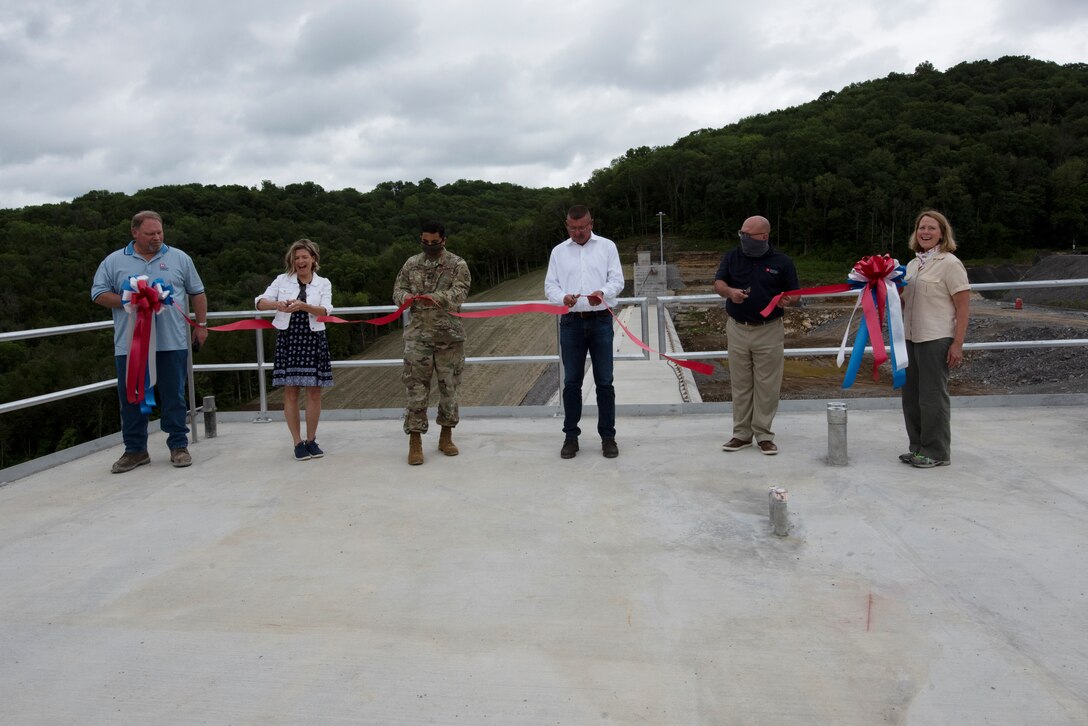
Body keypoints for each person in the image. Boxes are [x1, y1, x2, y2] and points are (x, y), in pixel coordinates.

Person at [91, 211, 209, 473]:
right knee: (131, 397)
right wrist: (128, 299)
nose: (156, 238)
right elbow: (98, 294)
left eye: (160, 232)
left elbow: (197, 292)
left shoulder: (179, 258)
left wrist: (201, 326)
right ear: (135, 233)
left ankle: (178, 445)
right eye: (150, 234)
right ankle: (135, 451)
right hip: (130, 345)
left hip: (173, 341)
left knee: (174, 396)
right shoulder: (113, 261)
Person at [713, 215, 799, 456]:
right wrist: (730, 292)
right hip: (737, 328)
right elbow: (718, 282)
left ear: (763, 236)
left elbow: (795, 293)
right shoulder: (733, 256)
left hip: (769, 330)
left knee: (767, 386)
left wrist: (789, 300)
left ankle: (763, 434)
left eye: (747, 234)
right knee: (740, 384)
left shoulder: (782, 261)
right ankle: (741, 434)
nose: (743, 238)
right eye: (741, 233)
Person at [544, 205, 625, 459]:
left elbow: (617, 281)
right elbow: (550, 286)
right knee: (571, 383)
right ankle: (570, 436)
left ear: (591, 223)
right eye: (573, 227)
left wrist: (602, 293)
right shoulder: (558, 252)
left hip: (601, 320)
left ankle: (608, 437)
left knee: (604, 382)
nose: (577, 232)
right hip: (571, 322)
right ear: (567, 225)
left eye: (582, 227)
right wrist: (563, 297)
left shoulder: (607, 247)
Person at [393, 221, 472, 466]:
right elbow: (398, 289)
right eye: (425, 242)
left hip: (448, 337)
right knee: (416, 390)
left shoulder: (457, 264)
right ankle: (415, 440)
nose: (429, 247)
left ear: (443, 240)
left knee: (449, 389)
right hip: (418, 338)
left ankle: (446, 436)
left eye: (434, 243)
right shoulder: (411, 263)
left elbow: (460, 292)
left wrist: (435, 298)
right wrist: (405, 298)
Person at [899, 210, 971, 468]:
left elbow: (962, 307)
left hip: (935, 337)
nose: (925, 233)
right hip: (909, 338)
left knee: (932, 397)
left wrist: (958, 343)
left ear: (942, 233)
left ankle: (937, 452)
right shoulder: (911, 265)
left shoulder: (950, 264)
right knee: (911, 396)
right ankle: (917, 447)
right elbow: (904, 301)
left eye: (931, 228)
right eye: (921, 228)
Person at [255, 239, 334, 461]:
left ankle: (311, 440)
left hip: (314, 337)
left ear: (313, 260)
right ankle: (297, 443)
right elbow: (259, 302)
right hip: (289, 339)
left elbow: (326, 310)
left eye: (304, 257)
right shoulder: (281, 280)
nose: (300, 261)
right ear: (292, 261)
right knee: (290, 391)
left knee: (315, 392)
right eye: (297, 258)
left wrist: (304, 306)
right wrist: (275, 305)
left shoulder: (323, 283)